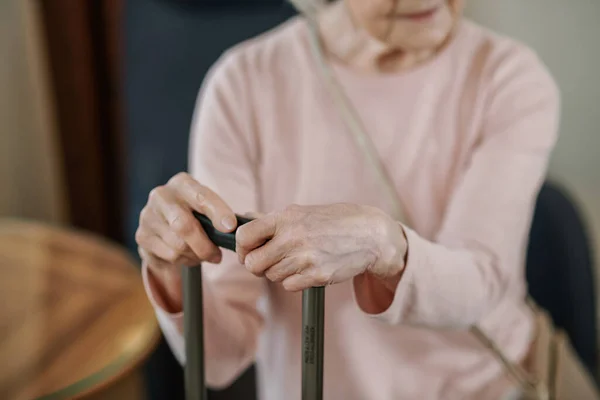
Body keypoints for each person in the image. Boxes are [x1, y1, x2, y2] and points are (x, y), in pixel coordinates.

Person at [135, 0, 598, 399]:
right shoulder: (242, 86)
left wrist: (383, 243)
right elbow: (218, 359)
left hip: (485, 387)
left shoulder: (509, 77)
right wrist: (171, 271)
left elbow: (481, 280)